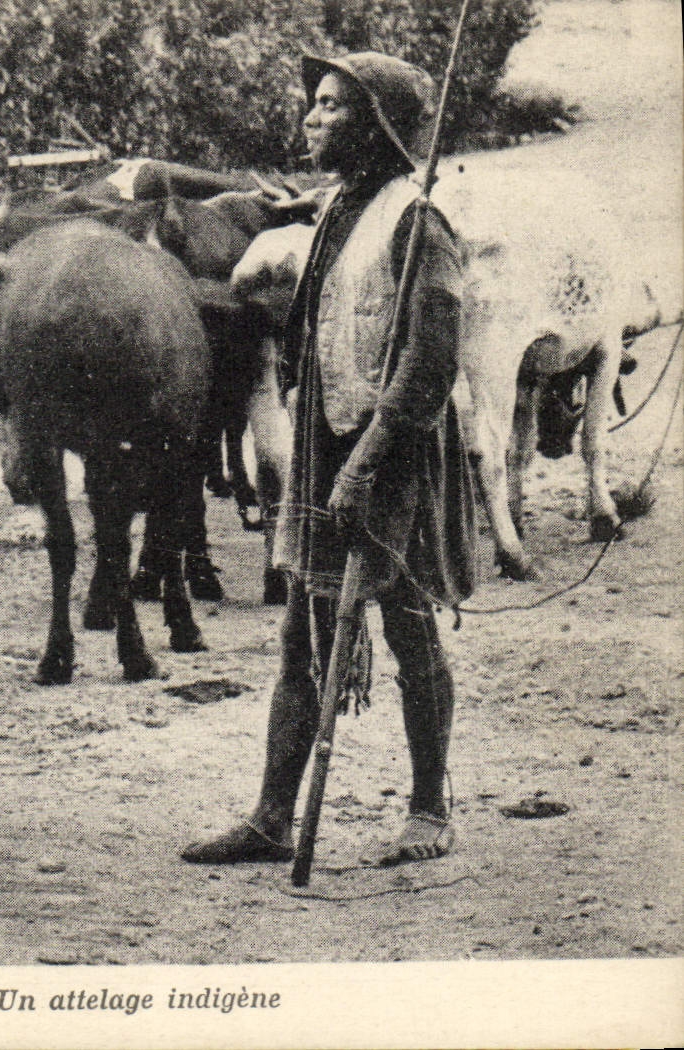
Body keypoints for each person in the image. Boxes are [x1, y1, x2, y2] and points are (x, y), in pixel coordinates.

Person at [181, 53, 478, 867]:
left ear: (377, 127)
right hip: (326, 441)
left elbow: (430, 360)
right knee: (302, 630)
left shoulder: (417, 223)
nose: (313, 119)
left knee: (409, 627)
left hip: (394, 451)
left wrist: (368, 461)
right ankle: (274, 818)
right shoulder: (339, 210)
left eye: (333, 107)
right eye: (313, 103)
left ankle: (428, 811)